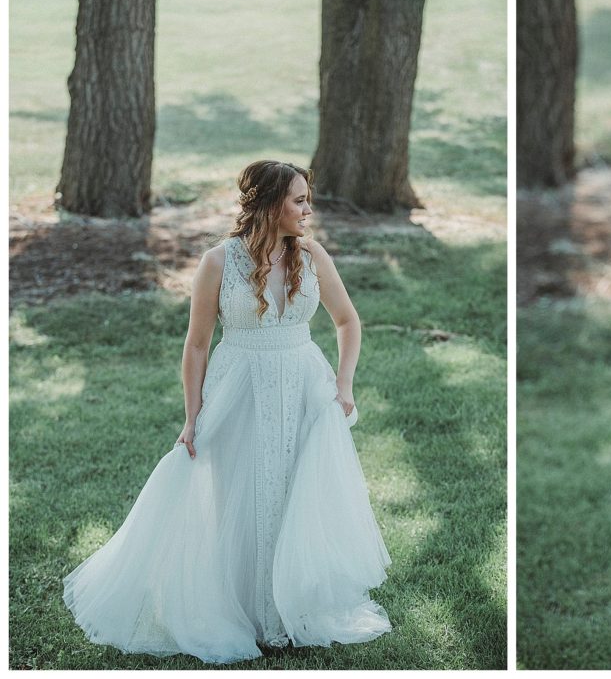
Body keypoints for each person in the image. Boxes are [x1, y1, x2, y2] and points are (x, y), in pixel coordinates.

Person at [63, 160, 392, 664]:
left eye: (308, 199)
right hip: (239, 386)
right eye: (299, 200)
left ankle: (288, 606)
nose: (309, 209)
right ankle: (239, 604)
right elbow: (196, 345)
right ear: (267, 202)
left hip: (303, 383)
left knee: (293, 493)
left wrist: (343, 382)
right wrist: (192, 417)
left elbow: (347, 321)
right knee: (239, 493)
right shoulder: (218, 262)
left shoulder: (312, 254)